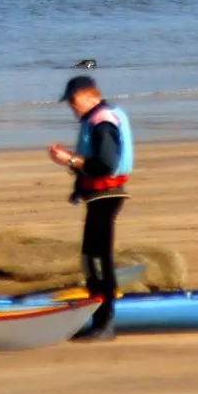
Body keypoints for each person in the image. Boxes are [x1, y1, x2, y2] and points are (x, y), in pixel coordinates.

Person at [48, 72, 133, 341]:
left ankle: (104, 322)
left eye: (74, 102)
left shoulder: (102, 122)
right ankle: (99, 318)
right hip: (100, 196)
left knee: (97, 258)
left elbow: (105, 165)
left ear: (89, 96)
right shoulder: (97, 118)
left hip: (106, 196)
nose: (72, 108)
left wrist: (70, 160)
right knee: (91, 257)